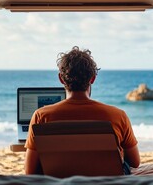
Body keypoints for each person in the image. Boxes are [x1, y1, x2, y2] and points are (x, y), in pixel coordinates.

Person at [24, 46, 140, 174]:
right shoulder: (118, 116)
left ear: (61, 79)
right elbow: (135, 161)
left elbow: (30, 171)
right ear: (92, 79)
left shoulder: (41, 116)